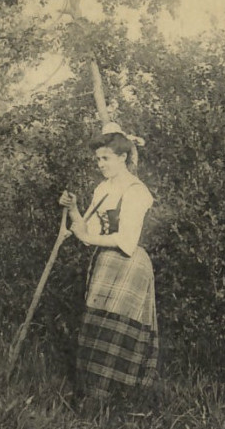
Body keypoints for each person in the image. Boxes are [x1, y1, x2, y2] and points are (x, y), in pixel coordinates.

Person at [59, 123, 158, 400]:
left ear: (123, 158)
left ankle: (119, 398)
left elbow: (126, 241)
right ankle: (92, 395)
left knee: (118, 328)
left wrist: (88, 240)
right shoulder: (103, 188)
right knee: (97, 325)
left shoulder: (135, 190)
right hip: (105, 264)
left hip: (129, 266)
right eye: (98, 159)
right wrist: (73, 208)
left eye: (106, 159)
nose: (100, 164)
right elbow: (86, 231)